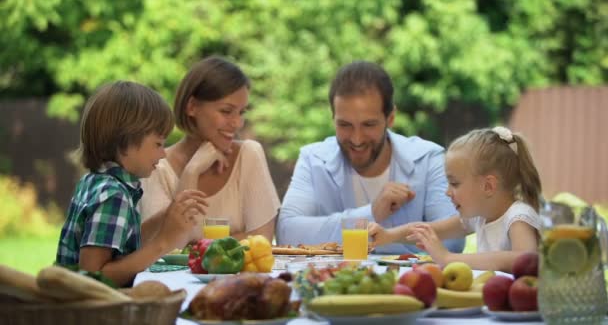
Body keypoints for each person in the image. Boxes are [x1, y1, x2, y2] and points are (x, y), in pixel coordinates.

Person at [277, 61, 465, 254]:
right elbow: (287, 233)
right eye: (345, 125)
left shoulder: (428, 158)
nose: (357, 139)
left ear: (390, 118)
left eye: (368, 125)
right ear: (333, 118)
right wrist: (371, 213)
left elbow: (453, 241)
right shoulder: (312, 158)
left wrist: (370, 238)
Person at [56, 81, 207, 287]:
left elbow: (122, 244)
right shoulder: (112, 195)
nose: (163, 153)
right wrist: (164, 242)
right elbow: (91, 277)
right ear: (126, 140)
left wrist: (167, 216)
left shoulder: (96, 181)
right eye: (158, 144)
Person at [140, 56, 279, 243]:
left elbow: (262, 239)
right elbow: (167, 249)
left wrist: (199, 248)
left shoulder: (248, 154)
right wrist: (191, 172)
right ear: (192, 107)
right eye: (226, 111)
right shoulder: (156, 168)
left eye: (241, 112)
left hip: (243, 274)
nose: (237, 123)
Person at [369, 126, 542, 272]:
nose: (448, 192)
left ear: (488, 186)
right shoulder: (479, 216)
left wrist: (449, 258)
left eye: (454, 183)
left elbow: (526, 258)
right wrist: (388, 236)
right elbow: (428, 230)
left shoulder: (518, 216)